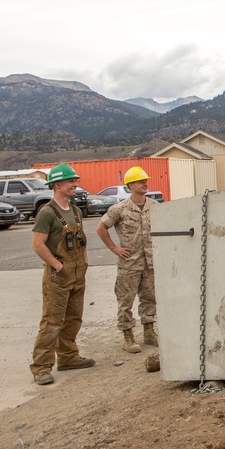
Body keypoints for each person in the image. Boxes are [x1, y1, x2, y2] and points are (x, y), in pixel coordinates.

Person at [29, 163, 95, 385]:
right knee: (52, 322)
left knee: (73, 318)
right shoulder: (47, 212)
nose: (75, 184)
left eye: (74, 181)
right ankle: (41, 367)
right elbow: (38, 245)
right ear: (57, 184)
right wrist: (57, 266)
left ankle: (68, 357)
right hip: (58, 277)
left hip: (77, 274)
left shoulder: (76, 211)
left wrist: (84, 262)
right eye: (70, 181)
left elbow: (81, 240)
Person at [96, 166, 157, 353]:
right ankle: (128, 337)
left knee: (150, 298)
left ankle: (149, 332)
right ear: (130, 185)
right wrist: (114, 248)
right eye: (141, 181)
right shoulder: (119, 209)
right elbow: (101, 228)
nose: (145, 184)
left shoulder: (154, 206)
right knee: (125, 301)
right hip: (129, 264)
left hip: (149, 263)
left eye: (146, 181)